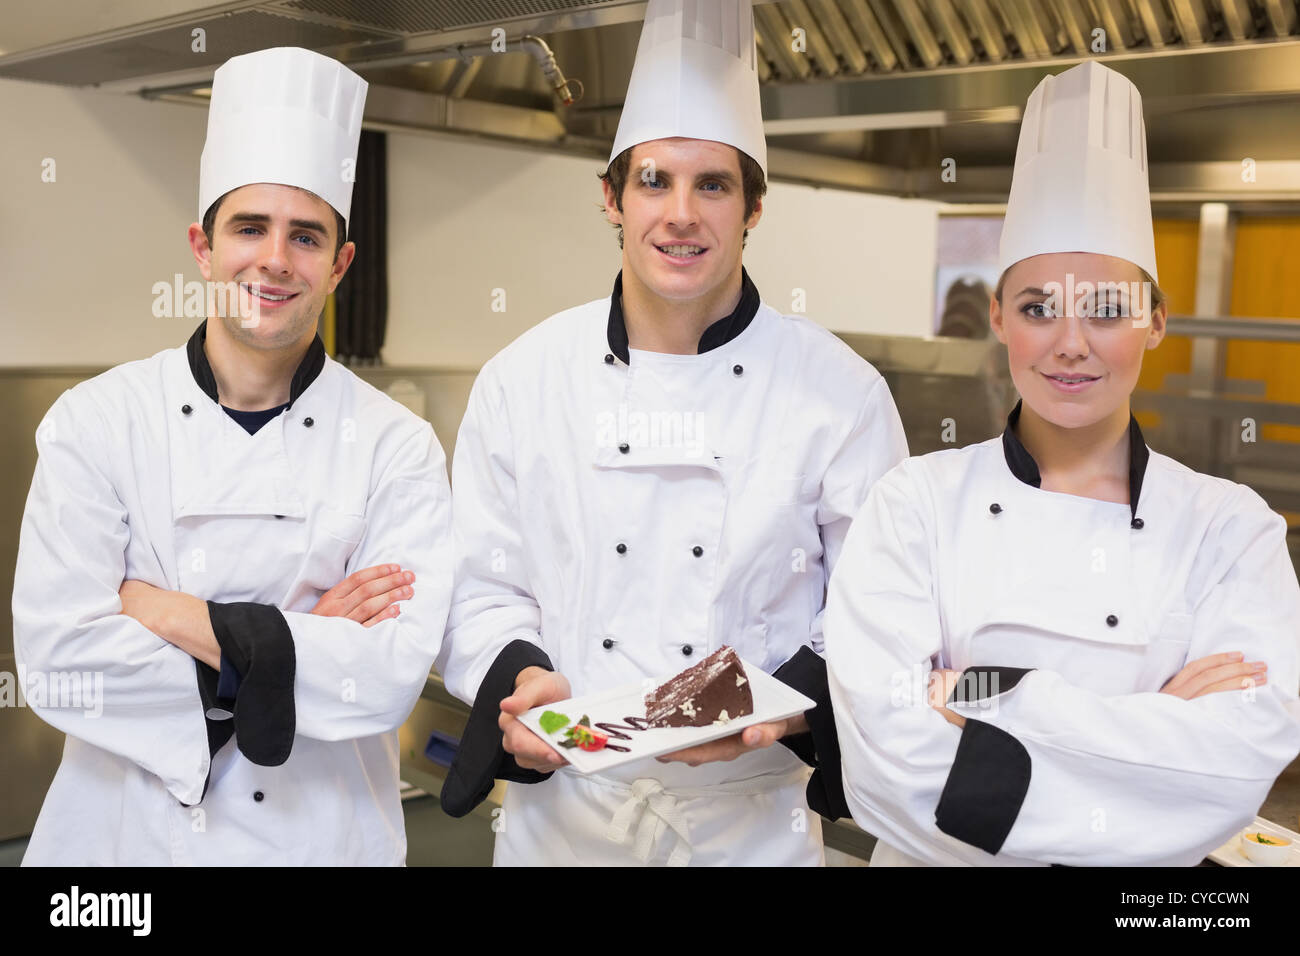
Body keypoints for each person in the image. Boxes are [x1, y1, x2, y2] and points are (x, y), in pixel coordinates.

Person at [434, 0, 907, 866]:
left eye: (713, 184)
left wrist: (779, 703)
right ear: (610, 198)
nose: (680, 213)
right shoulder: (524, 378)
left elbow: (879, 608)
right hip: (567, 823)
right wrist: (523, 685)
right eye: (654, 180)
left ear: (753, 207)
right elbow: (479, 587)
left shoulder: (840, 394)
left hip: (751, 823)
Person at [824, 60, 1300, 866]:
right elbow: (883, 766)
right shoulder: (914, 503)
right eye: (1039, 307)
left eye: (1106, 308)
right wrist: (1149, 719)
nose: (1071, 343)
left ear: (1155, 321)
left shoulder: (1229, 528)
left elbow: (1232, 769)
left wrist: (992, 693)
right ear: (1001, 321)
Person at [13, 47, 453, 865]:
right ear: (202, 247)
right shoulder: (95, 422)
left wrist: (161, 609)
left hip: (322, 844)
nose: (275, 260)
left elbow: (387, 674)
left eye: (307, 236)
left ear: (341, 264)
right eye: (249, 228)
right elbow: (59, 661)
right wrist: (294, 642)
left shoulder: (398, 445)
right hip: (121, 853)